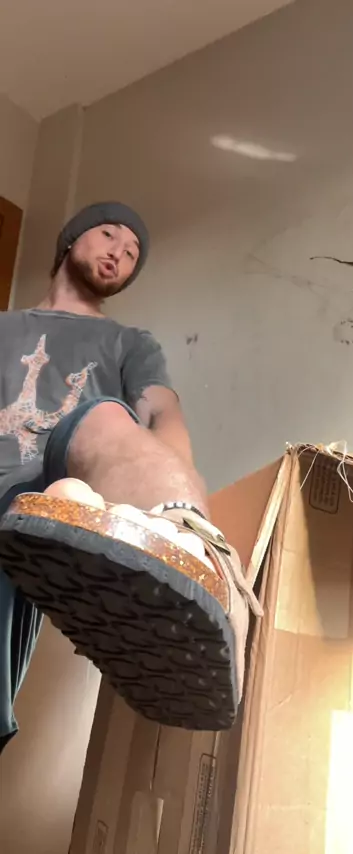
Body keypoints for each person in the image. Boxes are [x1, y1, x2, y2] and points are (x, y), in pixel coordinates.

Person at [0, 202, 260, 753]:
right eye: (109, 234)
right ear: (70, 241)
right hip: (11, 509)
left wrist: (177, 501)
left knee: (102, 417)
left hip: (58, 499)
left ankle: (184, 543)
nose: (120, 252)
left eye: (133, 252)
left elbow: (162, 414)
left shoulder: (128, 343)